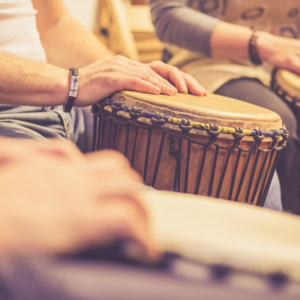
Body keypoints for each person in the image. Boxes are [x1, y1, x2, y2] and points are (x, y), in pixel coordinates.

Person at [0, 0, 281, 210]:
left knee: (255, 177)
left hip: (59, 102)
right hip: (12, 115)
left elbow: (52, 25)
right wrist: (71, 82)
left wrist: (125, 72)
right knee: (150, 212)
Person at [149, 0, 300, 213]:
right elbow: (167, 15)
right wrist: (261, 43)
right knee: (280, 124)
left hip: (289, 68)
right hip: (211, 65)